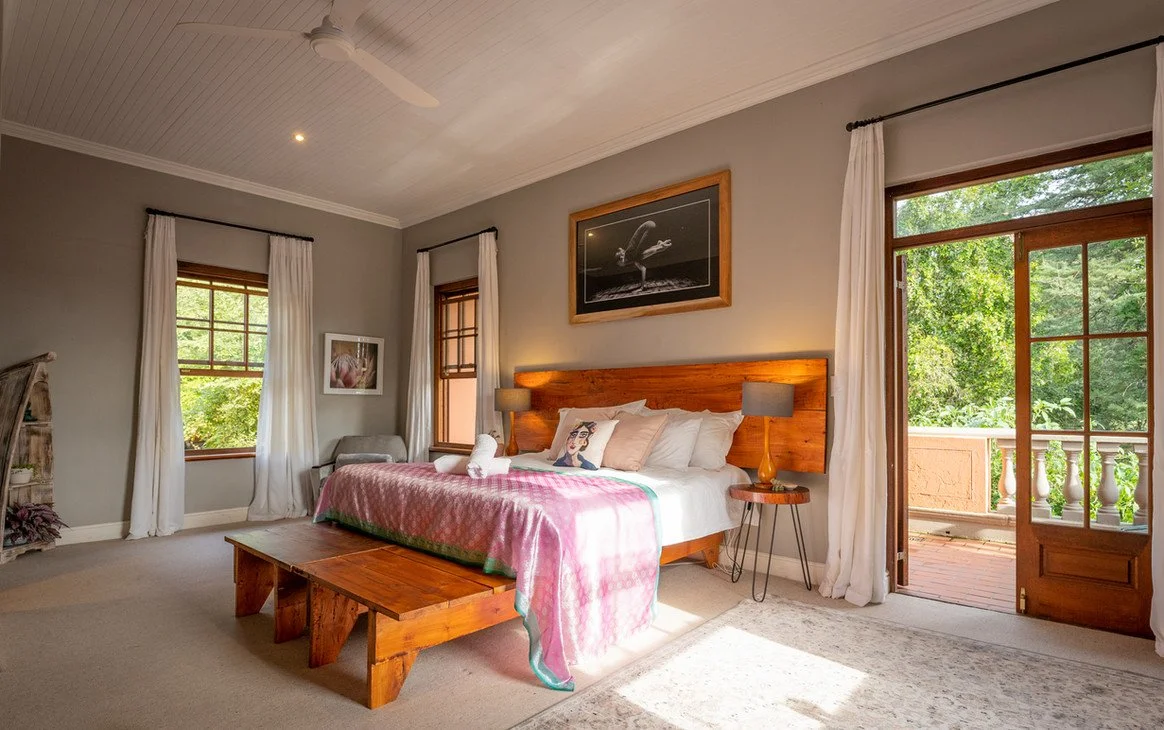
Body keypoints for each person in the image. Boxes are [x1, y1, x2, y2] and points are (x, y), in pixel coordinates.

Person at [615, 220, 672, 290]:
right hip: (649, 225)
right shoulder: (633, 258)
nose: (620, 266)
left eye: (619, 264)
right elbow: (643, 268)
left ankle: (660, 245)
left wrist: (642, 287)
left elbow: (644, 260)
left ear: (620, 260)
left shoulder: (629, 255)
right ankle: (660, 244)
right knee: (645, 252)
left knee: (645, 252)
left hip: (648, 226)